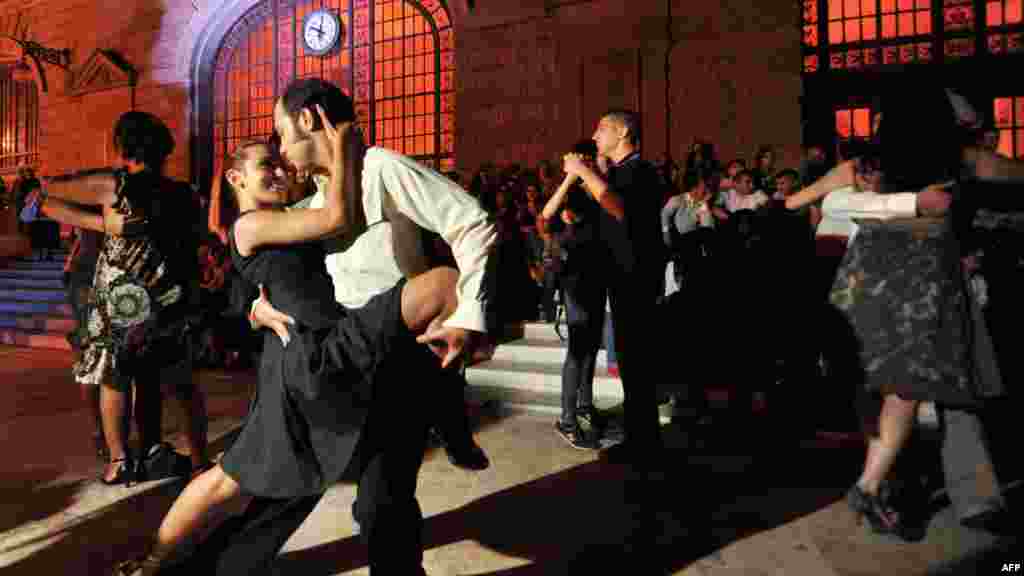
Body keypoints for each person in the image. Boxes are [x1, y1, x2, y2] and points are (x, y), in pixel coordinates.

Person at [787, 87, 1024, 539]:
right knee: (914, 385)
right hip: (923, 281)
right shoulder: (965, 160)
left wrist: (856, 206)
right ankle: (878, 485)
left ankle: (883, 483)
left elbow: (795, 202)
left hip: (864, 278)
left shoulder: (864, 165)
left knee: (878, 382)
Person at [21, 112, 207, 487]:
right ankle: (201, 459)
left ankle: (119, 460)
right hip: (168, 296)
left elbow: (59, 188)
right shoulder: (183, 194)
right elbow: (122, 228)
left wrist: (41, 190)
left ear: (123, 146)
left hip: (123, 298)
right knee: (177, 379)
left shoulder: (117, 185)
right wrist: (71, 215)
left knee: (115, 377)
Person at [562, 109, 666, 464]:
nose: (594, 136)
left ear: (622, 132)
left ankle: (645, 446)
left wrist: (584, 171)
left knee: (638, 363)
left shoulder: (641, 170)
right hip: (623, 278)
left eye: (601, 128)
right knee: (631, 362)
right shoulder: (622, 172)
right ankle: (641, 440)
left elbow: (618, 208)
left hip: (636, 279)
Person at [542, 139, 609, 450]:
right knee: (577, 349)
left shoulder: (599, 188)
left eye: (590, 158)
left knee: (591, 347)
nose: (588, 162)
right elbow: (546, 214)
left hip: (597, 275)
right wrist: (570, 176)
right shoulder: (571, 192)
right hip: (575, 280)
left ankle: (585, 406)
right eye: (583, 158)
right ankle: (567, 419)